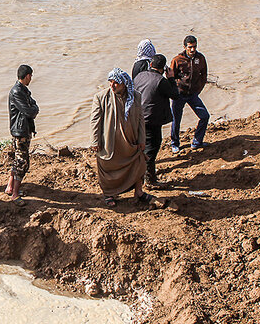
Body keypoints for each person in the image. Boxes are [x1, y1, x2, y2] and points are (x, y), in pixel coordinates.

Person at [90, 68, 154, 208]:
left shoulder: (135, 96)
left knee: (138, 164)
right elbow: (95, 121)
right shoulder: (101, 97)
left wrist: (142, 140)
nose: (112, 86)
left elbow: (140, 120)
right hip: (110, 142)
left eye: (116, 83)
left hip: (131, 141)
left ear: (125, 84)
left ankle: (139, 192)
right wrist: (95, 140)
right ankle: (109, 194)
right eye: (110, 82)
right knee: (107, 169)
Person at [133, 54, 179, 188]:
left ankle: (139, 175)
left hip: (137, 117)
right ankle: (150, 180)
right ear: (163, 68)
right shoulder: (161, 80)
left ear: (150, 64)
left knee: (141, 146)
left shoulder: (139, 76)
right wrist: (171, 78)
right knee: (151, 148)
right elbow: (175, 95)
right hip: (152, 119)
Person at [169, 35, 210, 153]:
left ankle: (197, 142)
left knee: (204, 116)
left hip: (193, 94)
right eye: (190, 47)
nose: (193, 50)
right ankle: (175, 143)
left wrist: (198, 89)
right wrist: (174, 92)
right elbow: (171, 78)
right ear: (185, 47)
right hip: (179, 94)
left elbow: (204, 75)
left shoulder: (200, 58)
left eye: (195, 47)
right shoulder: (177, 60)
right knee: (176, 120)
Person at [6, 64, 39, 206]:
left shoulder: (23, 90)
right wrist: (34, 109)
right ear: (27, 76)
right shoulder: (17, 92)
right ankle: (15, 194)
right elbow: (30, 111)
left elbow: (33, 105)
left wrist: (34, 107)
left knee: (18, 159)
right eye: (30, 76)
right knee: (22, 162)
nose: (31, 79)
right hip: (20, 131)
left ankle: (10, 187)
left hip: (21, 130)